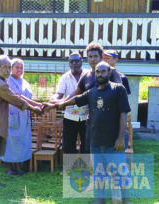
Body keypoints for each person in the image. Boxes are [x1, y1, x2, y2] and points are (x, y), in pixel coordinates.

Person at [46, 61, 131, 204]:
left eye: (103, 71)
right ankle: (100, 199)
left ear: (109, 73)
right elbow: (75, 100)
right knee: (99, 172)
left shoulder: (118, 90)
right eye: (98, 72)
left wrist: (121, 138)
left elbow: (123, 114)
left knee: (120, 172)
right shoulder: (92, 92)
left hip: (113, 142)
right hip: (95, 141)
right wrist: (58, 104)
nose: (100, 74)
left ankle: (126, 201)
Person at [0, 55, 43, 196]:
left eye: (9, 67)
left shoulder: (2, 81)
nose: (8, 70)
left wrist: (36, 105)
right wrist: (35, 109)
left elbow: (17, 96)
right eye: (6, 67)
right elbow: (15, 100)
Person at [60, 43, 122, 153]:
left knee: (108, 157)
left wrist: (121, 136)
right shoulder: (87, 76)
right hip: (92, 123)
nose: (93, 59)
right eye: (90, 56)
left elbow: (121, 103)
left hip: (110, 125)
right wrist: (59, 103)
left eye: (95, 56)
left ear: (101, 57)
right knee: (88, 151)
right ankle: (80, 170)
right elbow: (76, 94)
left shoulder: (112, 73)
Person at [0, 58, 33, 176]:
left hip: (24, 117)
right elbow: (17, 97)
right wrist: (35, 106)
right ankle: (9, 169)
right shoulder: (7, 81)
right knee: (10, 142)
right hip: (11, 116)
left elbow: (28, 98)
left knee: (20, 141)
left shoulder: (25, 82)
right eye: (17, 67)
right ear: (12, 68)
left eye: (21, 67)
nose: (19, 70)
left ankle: (18, 167)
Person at [50, 53, 88, 153]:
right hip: (70, 117)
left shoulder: (89, 75)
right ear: (69, 63)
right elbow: (59, 94)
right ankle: (71, 168)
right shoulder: (64, 78)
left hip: (87, 117)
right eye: (72, 62)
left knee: (87, 145)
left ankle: (85, 168)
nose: (74, 63)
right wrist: (53, 99)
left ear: (82, 61)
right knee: (69, 145)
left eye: (77, 61)